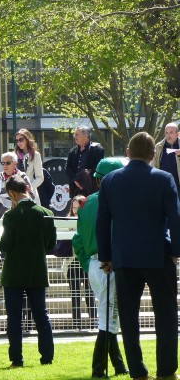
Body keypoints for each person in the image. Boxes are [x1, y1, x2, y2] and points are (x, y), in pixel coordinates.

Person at [97, 132, 180, 380]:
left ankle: (137, 370)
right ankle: (166, 370)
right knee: (166, 317)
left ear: (128, 153)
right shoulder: (164, 178)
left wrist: (106, 256)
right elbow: (175, 218)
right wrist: (177, 251)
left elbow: (103, 222)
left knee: (129, 319)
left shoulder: (110, 181)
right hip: (159, 256)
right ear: (152, 155)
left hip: (124, 257)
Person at [72, 157, 128, 378]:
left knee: (109, 317)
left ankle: (119, 366)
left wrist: (89, 264)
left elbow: (77, 240)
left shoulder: (86, 203)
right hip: (109, 266)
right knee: (108, 319)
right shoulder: (115, 202)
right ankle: (98, 368)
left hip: (95, 266)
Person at [0, 174, 56, 368]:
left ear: (12, 193)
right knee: (41, 315)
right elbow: (51, 245)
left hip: (14, 273)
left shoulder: (10, 216)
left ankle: (16, 359)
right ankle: (47, 357)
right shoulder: (46, 212)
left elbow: (5, 244)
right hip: (37, 270)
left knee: (14, 317)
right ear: (27, 189)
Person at [64, 195, 96, 330]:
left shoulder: (89, 220)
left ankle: (94, 322)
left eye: (79, 207)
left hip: (87, 261)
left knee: (90, 293)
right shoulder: (66, 221)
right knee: (75, 294)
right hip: (72, 263)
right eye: (74, 207)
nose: (76, 210)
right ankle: (77, 323)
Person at [0, 151, 35, 218]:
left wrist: (13, 202)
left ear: (15, 164)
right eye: (3, 163)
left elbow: (31, 195)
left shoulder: (23, 177)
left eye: (8, 163)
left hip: (21, 214)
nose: (5, 165)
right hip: (2, 215)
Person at [66, 125, 106, 197]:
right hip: (75, 189)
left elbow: (98, 168)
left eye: (77, 134)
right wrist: (75, 180)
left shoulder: (98, 150)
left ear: (86, 135)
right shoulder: (72, 151)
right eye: (74, 134)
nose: (75, 136)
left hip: (92, 190)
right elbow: (68, 168)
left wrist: (84, 180)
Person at [14, 129, 44, 202]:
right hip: (15, 192)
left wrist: (29, 187)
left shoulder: (35, 155)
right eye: (17, 140)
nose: (18, 142)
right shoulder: (14, 155)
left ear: (27, 140)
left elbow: (40, 177)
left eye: (21, 140)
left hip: (30, 193)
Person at [151, 122, 180, 188]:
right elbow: (153, 166)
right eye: (166, 133)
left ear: (177, 134)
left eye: (171, 132)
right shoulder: (158, 147)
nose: (168, 136)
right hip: (163, 186)